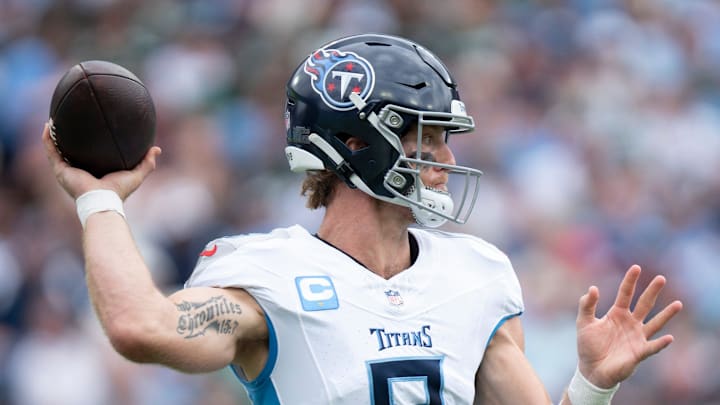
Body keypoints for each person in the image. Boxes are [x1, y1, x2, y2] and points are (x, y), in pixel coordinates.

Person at [43, 33, 682, 404]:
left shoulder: (477, 275)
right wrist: (99, 200)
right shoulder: (268, 275)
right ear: (355, 143)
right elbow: (139, 327)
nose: (446, 159)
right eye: (426, 138)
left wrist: (592, 385)